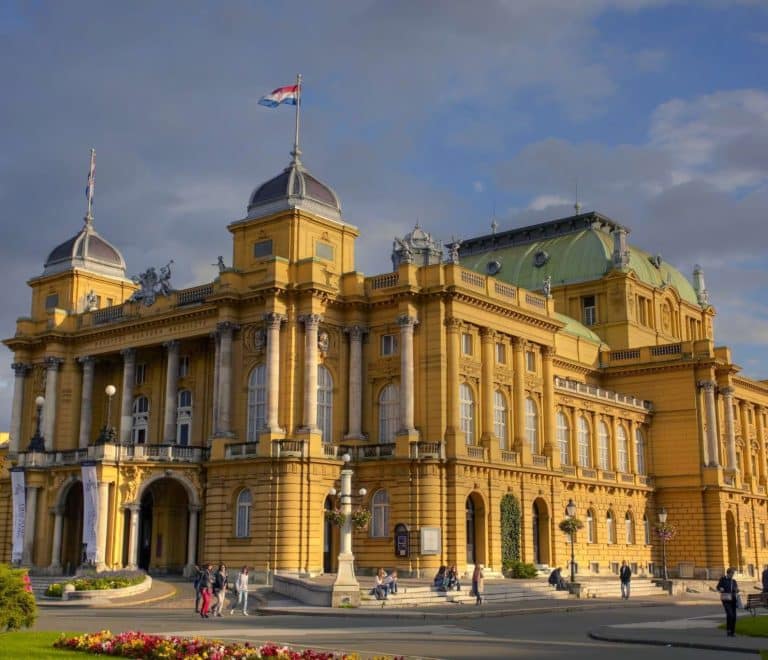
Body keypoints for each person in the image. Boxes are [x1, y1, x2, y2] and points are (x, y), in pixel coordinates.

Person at [717, 567, 740, 637]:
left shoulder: (733, 581)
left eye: (733, 573)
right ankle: (728, 630)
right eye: (732, 573)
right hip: (726, 599)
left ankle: (732, 631)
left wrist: (737, 590)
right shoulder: (723, 579)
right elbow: (718, 587)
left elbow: (736, 589)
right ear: (728, 573)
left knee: (734, 616)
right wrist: (720, 588)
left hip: (733, 599)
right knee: (730, 614)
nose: (732, 575)